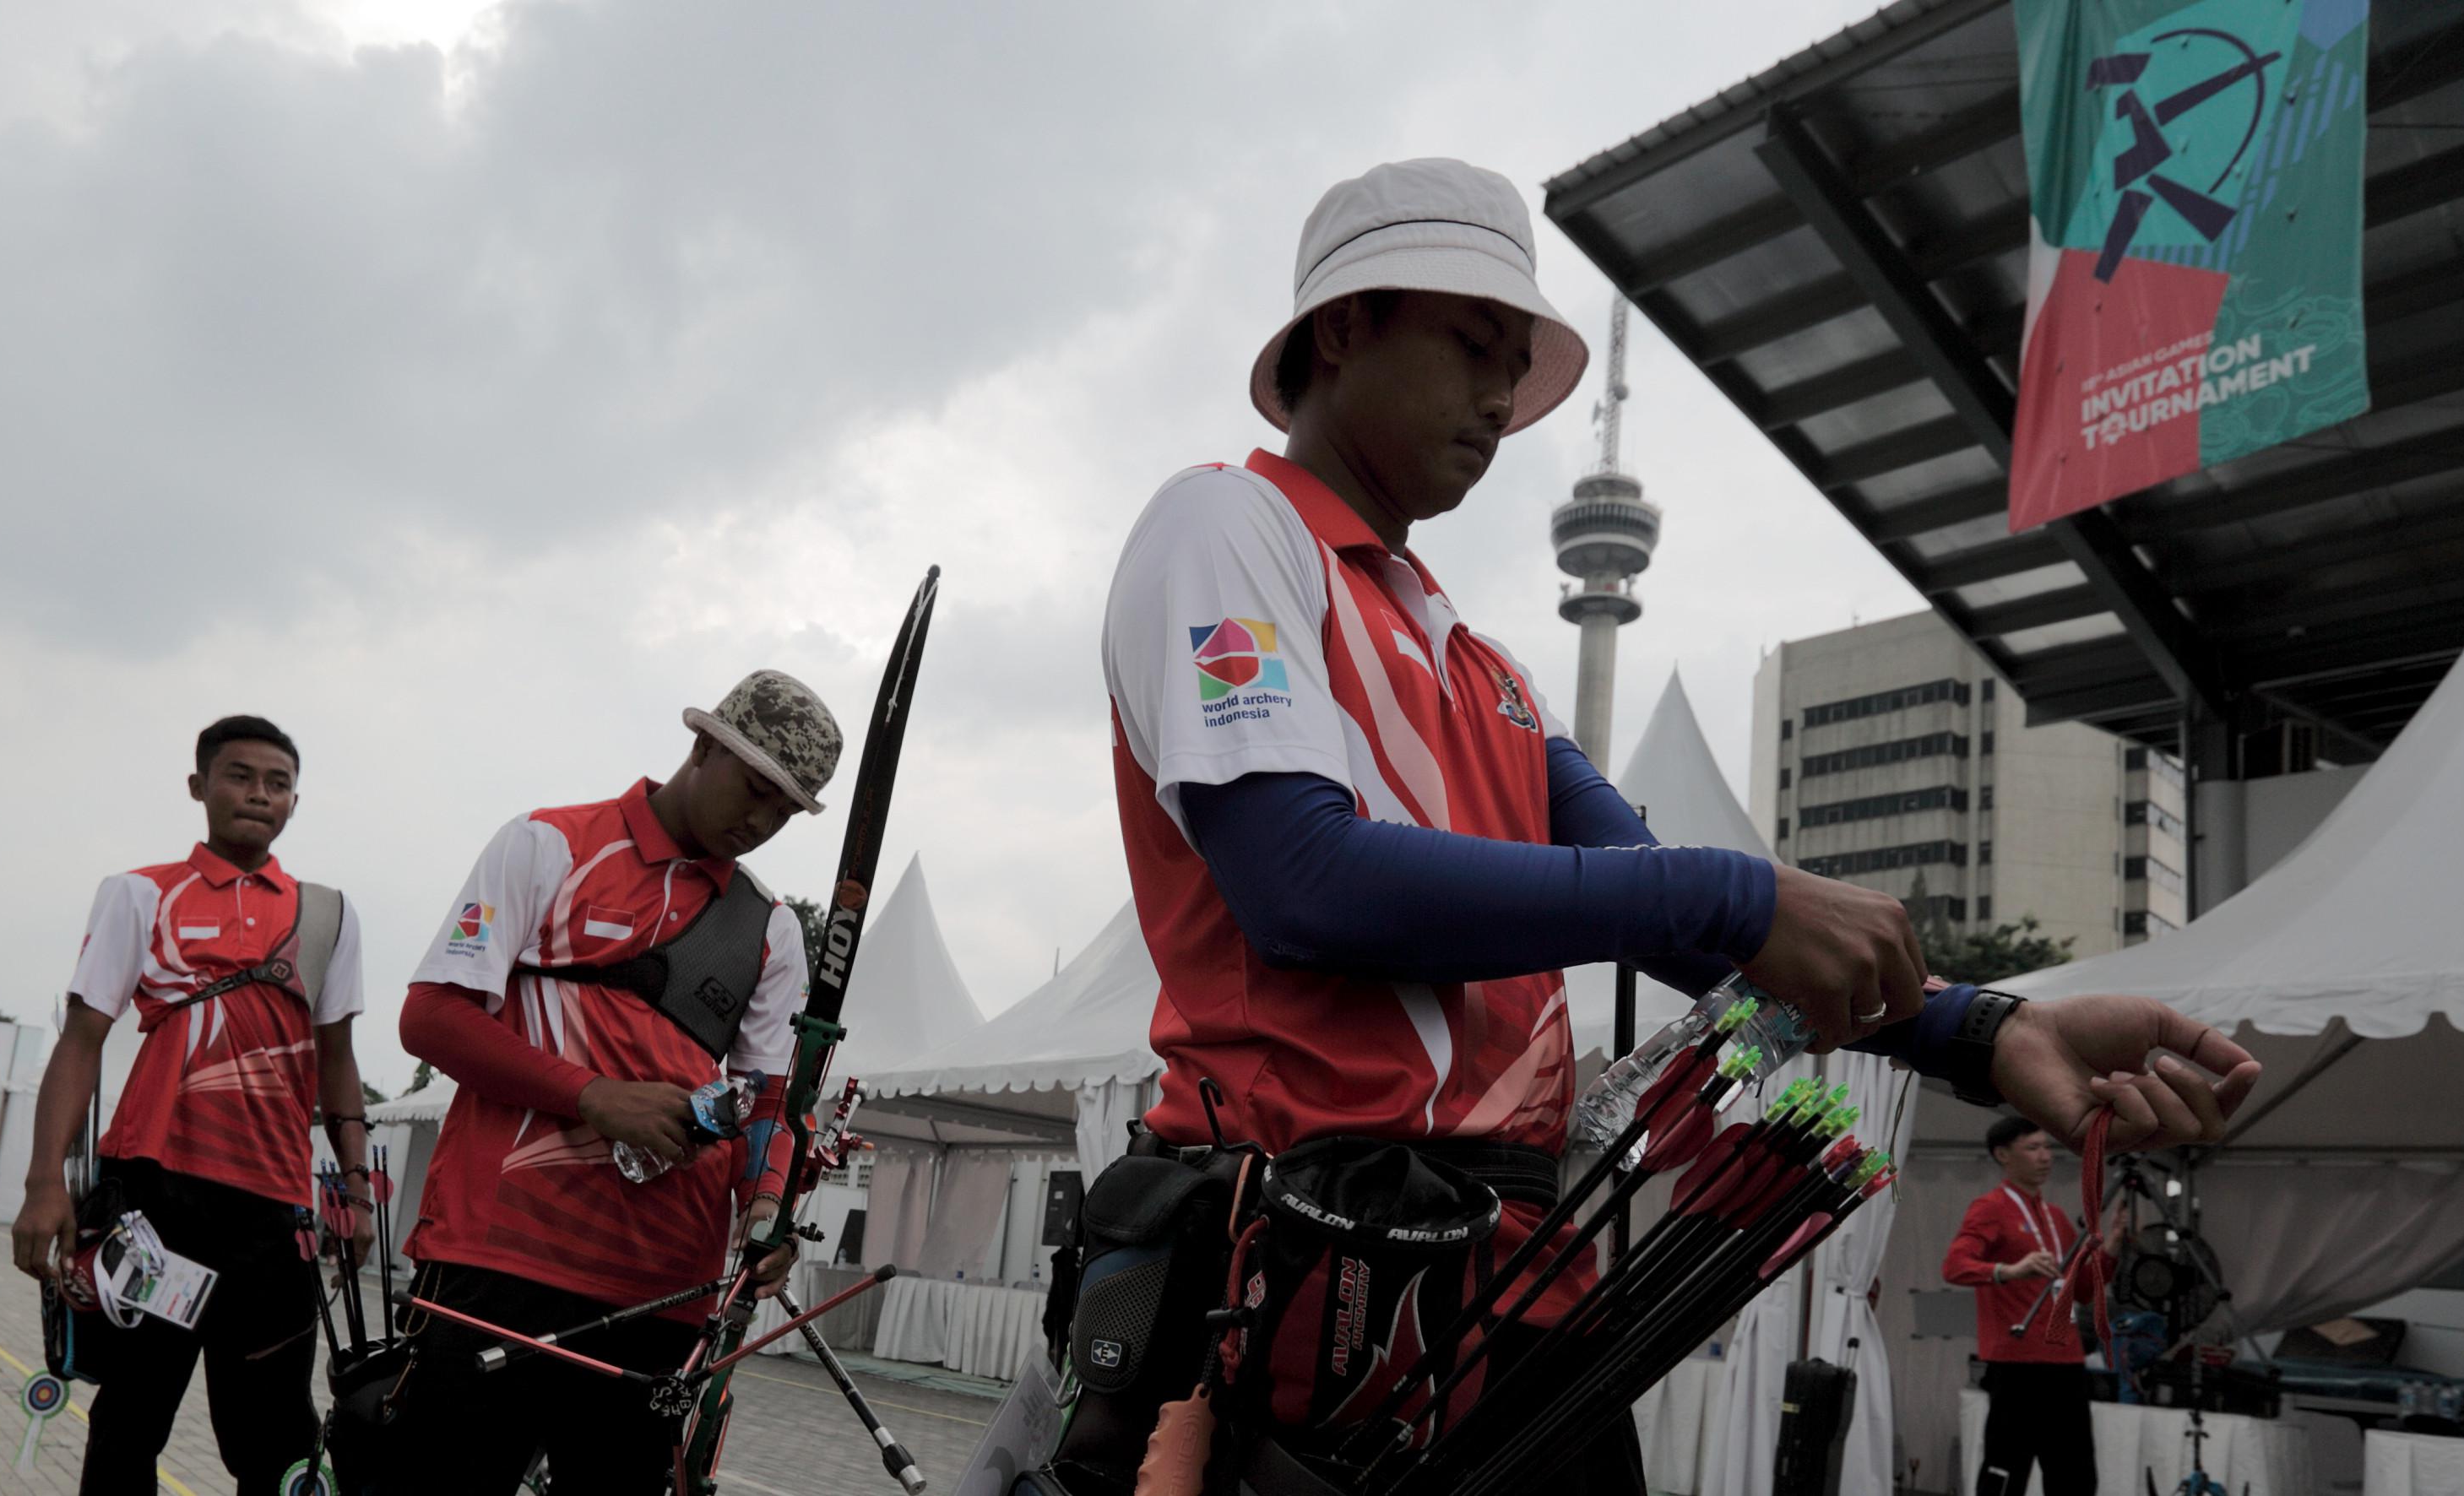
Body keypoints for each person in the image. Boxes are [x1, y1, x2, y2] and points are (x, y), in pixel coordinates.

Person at [1097, 157, 2262, 1490]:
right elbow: (1298, 878)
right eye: (1472, 344)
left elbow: (1666, 905)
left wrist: (1986, 1030)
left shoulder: (1482, 670)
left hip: (1517, 1290)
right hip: (1310, 1293)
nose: (1496, 403)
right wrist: (1729, 896)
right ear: (1343, 325)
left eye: (1512, 368)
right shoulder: (1224, 523)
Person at [378, 669, 838, 1493]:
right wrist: (591, 1094)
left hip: (663, 1297)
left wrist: (766, 1205)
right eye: (756, 790)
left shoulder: (772, 927)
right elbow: (432, 1018)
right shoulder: (547, 843)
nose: (761, 821)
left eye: (786, 810)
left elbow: (768, 1098)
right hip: (499, 1262)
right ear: (703, 746)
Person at [11, 715, 370, 1496]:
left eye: (278, 784)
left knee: (277, 1435)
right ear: (199, 786)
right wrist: (45, 1185)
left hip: (275, 1212)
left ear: (295, 802)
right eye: (240, 776)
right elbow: (81, 1040)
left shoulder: (328, 915)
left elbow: (337, 1061)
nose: (259, 795)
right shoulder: (140, 892)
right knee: (131, 1418)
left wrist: (355, 1189)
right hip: (153, 1200)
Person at [1945, 1116, 2127, 1496]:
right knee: (2007, 1466)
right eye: (2033, 1148)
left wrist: (2109, 1251)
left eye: (2048, 1148)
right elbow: (1955, 1266)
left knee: (2075, 1472)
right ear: (2003, 1155)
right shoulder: (1990, 1208)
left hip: (2067, 1362)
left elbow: (2079, 1291)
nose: (2045, 1157)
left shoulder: (2056, 1216)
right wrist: (2008, 1270)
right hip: (2017, 1363)